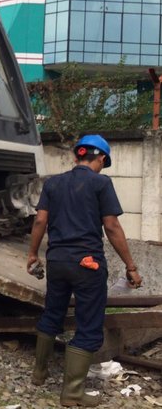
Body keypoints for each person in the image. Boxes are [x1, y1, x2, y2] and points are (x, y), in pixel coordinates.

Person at [27, 134, 143, 407]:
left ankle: (39, 373)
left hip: (56, 261)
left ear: (77, 155)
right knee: (89, 324)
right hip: (87, 264)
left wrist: (33, 253)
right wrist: (131, 266)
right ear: (101, 158)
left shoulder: (53, 183)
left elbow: (40, 220)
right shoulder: (101, 183)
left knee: (52, 313)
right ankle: (72, 393)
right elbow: (112, 226)